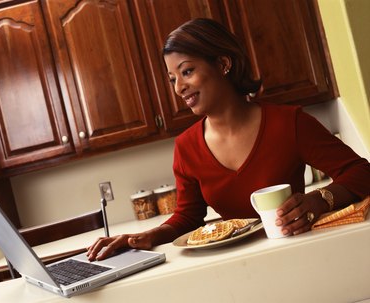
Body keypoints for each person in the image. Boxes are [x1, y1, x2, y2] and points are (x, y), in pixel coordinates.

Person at [87, 18, 370, 261]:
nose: (179, 87)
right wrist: (147, 236)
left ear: (223, 64)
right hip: (234, 267)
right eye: (172, 78)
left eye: (187, 71)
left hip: (299, 252)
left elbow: (361, 173)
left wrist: (320, 200)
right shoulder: (186, 147)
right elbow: (188, 217)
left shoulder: (288, 123)